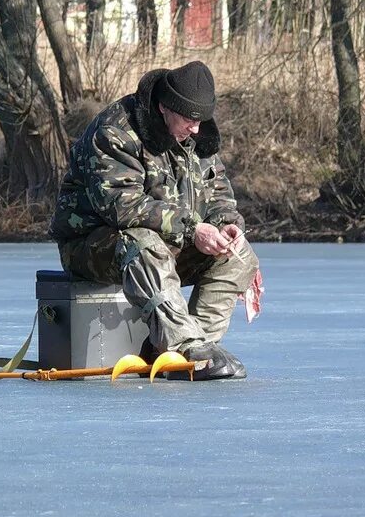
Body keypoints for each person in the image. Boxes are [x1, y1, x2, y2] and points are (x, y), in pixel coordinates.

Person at [49, 61, 259, 380]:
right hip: (94, 246)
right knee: (141, 242)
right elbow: (119, 205)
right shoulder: (116, 130)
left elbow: (218, 194)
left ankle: (192, 351)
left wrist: (226, 226)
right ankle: (185, 346)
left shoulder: (195, 134)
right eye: (190, 120)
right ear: (164, 107)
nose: (197, 129)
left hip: (166, 246)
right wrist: (192, 228)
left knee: (239, 256)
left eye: (201, 120)